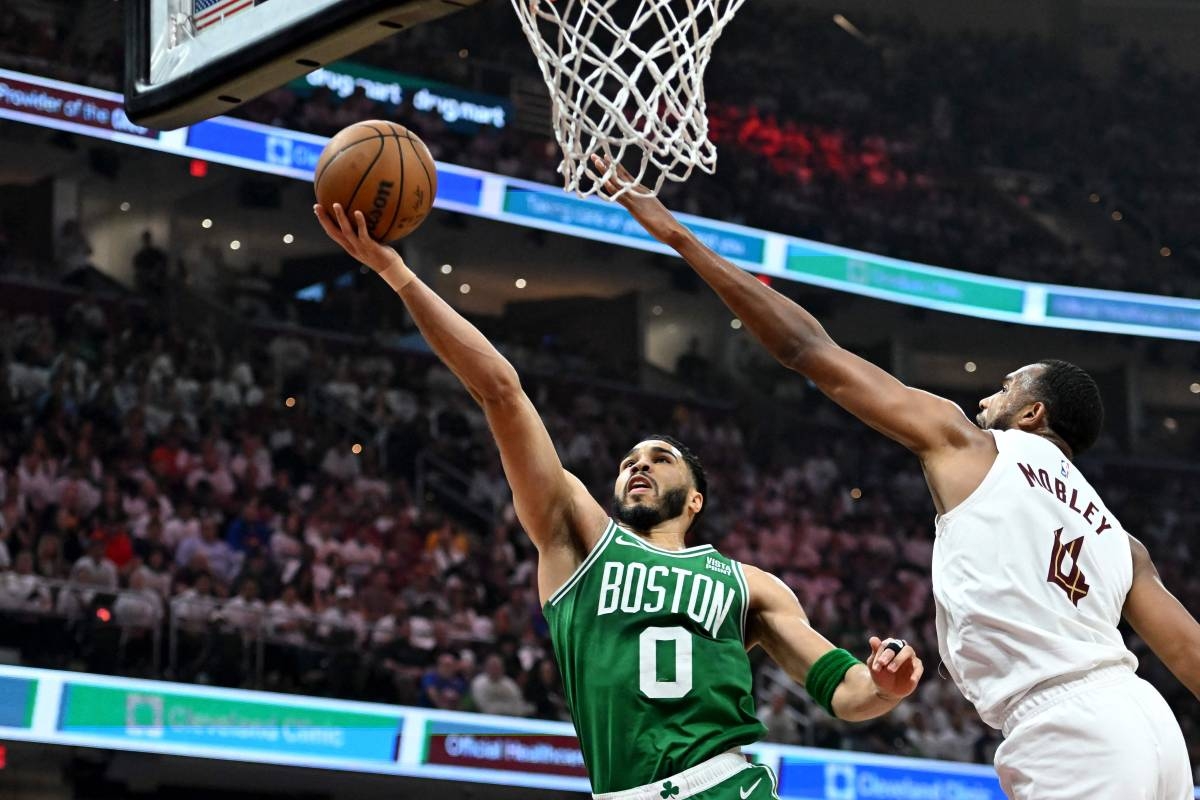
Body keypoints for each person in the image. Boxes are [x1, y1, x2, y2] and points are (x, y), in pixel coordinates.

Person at [597, 156, 1197, 800]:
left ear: (1033, 412)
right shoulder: (1119, 537)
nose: (984, 400)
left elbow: (808, 351)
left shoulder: (972, 445)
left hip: (1067, 728)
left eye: (1003, 388)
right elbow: (1190, 655)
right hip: (1151, 726)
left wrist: (681, 238)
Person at [314, 201, 923, 800]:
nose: (639, 467)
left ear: (695, 501)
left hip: (723, 784)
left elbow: (846, 692)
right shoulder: (576, 537)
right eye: (629, 461)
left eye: (660, 460)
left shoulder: (750, 586)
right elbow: (500, 389)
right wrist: (397, 273)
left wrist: (887, 686)